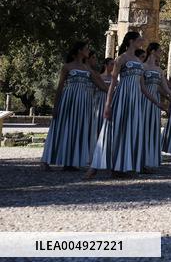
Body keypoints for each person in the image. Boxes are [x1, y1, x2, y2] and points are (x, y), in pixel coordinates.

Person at [86, 32, 164, 178]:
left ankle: (123, 166)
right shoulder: (121, 58)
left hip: (135, 100)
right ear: (131, 41)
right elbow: (113, 83)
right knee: (115, 130)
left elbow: (142, 87)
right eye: (139, 39)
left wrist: (157, 103)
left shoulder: (139, 62)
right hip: (122, 97)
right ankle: (98, 167)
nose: (142, 40)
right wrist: (108, 105)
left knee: (130, 130)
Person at [40, 42, 107, 171]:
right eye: (86, 49)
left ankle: (70, 161)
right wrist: (55, 106)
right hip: (68, 101)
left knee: (77, 129)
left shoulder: (88, 69)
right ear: (79, 51)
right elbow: (60, 87)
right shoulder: (67, 67)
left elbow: (101, 85)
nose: (88, 51)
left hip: (83, 103)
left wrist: (114, 92)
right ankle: (46, 160)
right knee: (62, 127)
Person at [141, 42, 171, 171]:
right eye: (159, 51)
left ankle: (148, 161)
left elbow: (168, 89)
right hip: (143, 100)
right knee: (142, 128)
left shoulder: (159, 70)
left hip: (155, 103)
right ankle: (139, 160)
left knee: (152, 129)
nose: (161, 53)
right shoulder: (142, 67)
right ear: (152, 51)